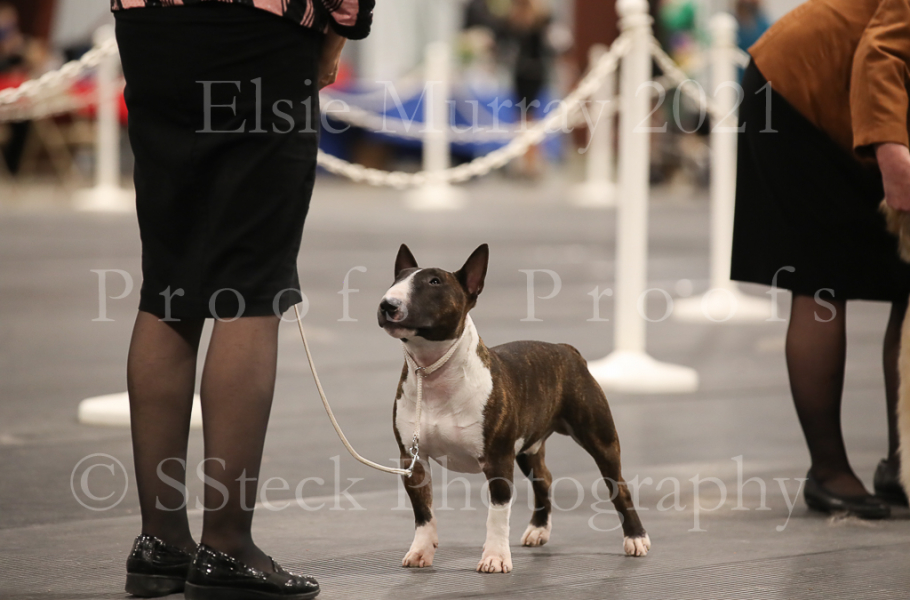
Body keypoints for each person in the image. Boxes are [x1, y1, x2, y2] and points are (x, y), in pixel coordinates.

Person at [109, 0, 373, 598]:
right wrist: (337, 36)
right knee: (250, 289)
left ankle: (161, 542)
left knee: (169, 288)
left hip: (151, 30)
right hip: (260, 33)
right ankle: (227, 546)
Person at [731, 0, 910, 519]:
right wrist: (892, 153)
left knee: (906, 283)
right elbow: (883, 54)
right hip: (798, 92)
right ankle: (829, 472)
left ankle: (902, 465)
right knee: (820, 280)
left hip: (856, 106)